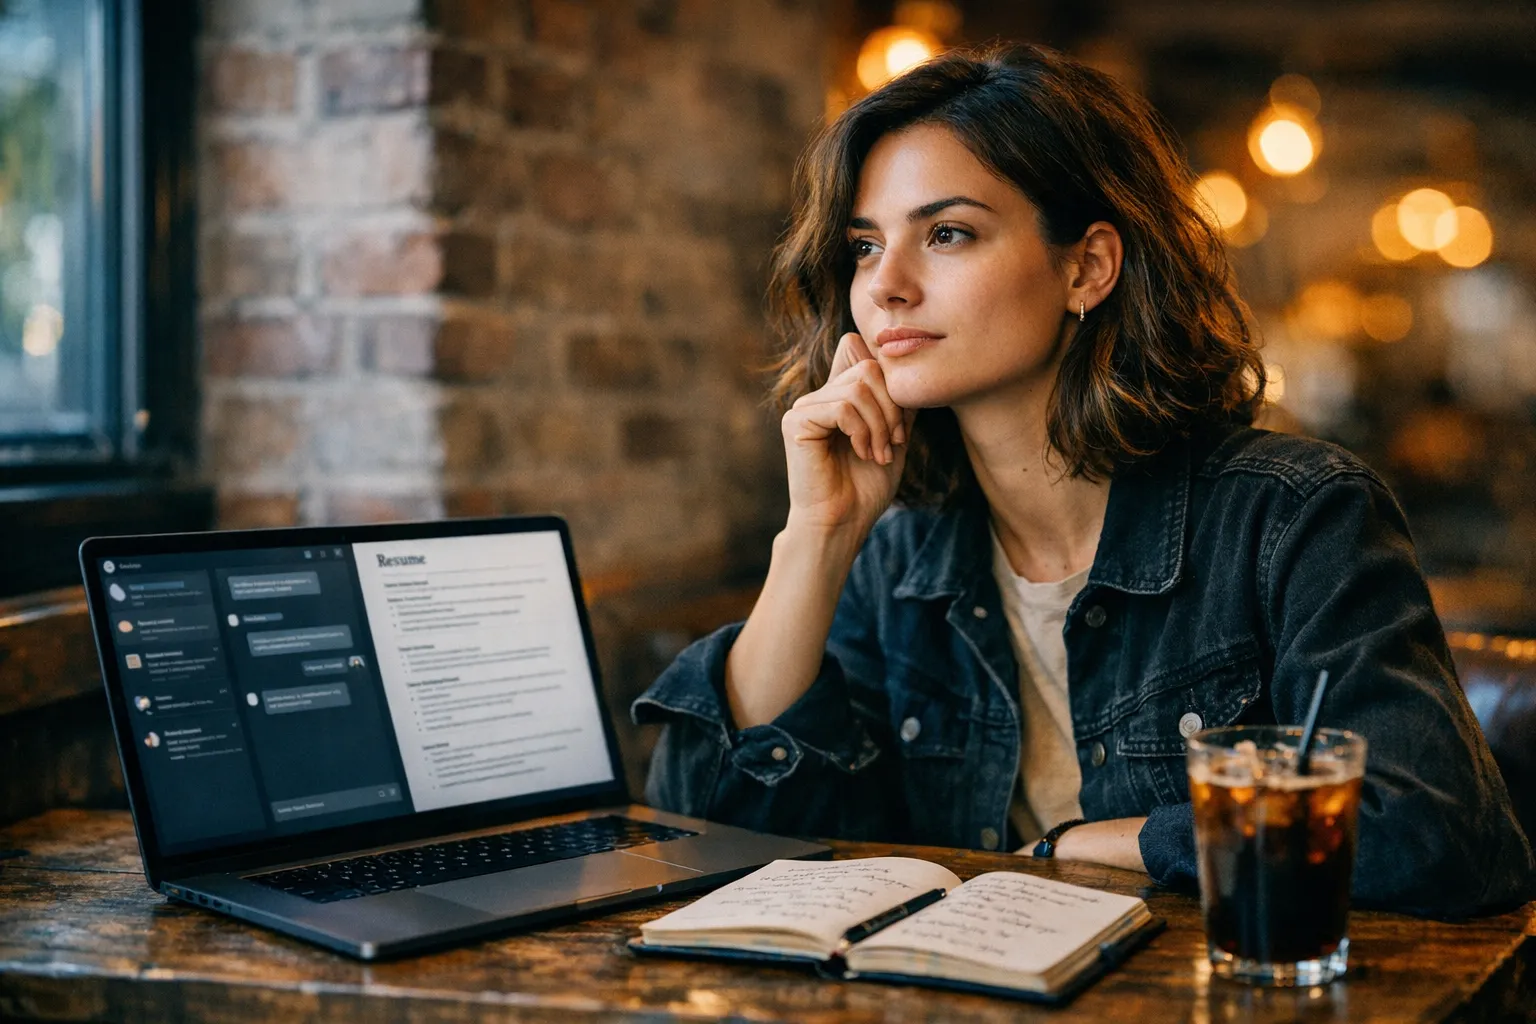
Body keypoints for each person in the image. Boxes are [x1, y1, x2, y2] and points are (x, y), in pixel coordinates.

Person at [631, 42, 1533, 916]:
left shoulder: (1293, 518)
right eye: (865, 247)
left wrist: (1107, 842)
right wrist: (817, 539)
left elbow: (1438, 836)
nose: (886, 287)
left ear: (1087, 266)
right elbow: (711, 840)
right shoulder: (898, 557)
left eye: (946, 233)